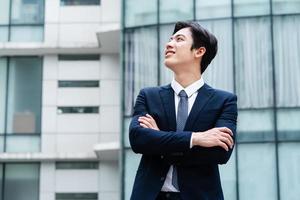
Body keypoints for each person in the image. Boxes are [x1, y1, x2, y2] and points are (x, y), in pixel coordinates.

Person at [129, 21, 238, 200]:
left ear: (199, 51)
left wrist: (160, 140)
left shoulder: (224, 101)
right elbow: (138, 139)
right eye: (170, 39)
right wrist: (195, 138)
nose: (169, 44)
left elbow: (220, 153)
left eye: (179, 39)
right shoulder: (148, 96)